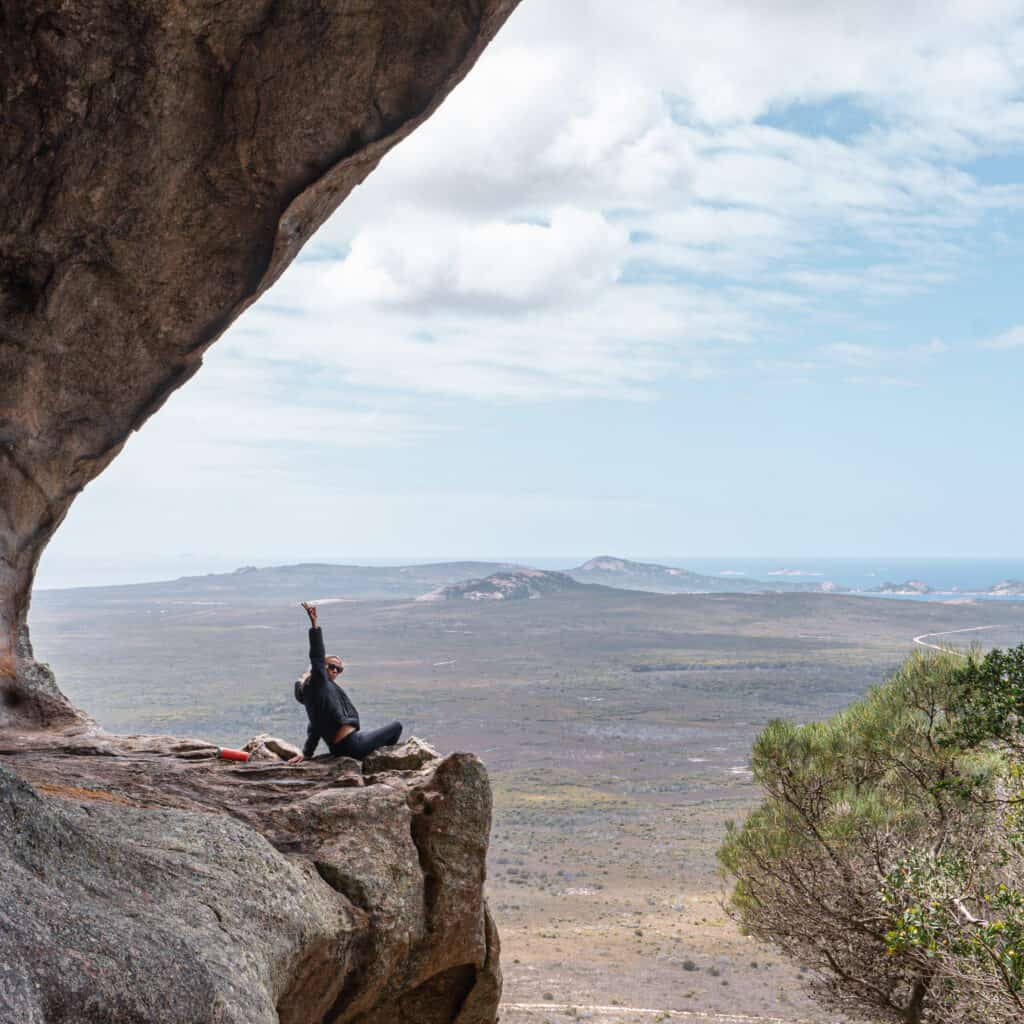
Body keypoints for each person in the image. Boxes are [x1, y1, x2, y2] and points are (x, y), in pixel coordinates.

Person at [288, 601, 402, 763]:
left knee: (374, 734)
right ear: (321, 667)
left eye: (339, 669)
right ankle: (381, 764)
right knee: (396, 726)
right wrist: (314, 626)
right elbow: (317, 656)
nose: (336, 671)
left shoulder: (316, 698)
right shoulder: (317, 683)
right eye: (332, 666)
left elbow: (314, 730)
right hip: (351, 745)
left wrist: (306, 754)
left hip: (344, 745)